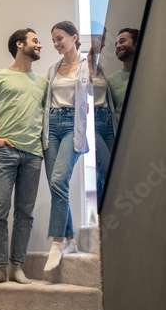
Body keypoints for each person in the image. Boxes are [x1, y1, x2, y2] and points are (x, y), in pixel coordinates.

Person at [0, 28, 48, 288]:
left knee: (24, 213)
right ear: (19, 44)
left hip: (33, 155)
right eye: (35, 40)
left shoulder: (43, 82)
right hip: (5, 152)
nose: (39, 45)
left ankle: (16, 266)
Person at [42, 21, 93, 271]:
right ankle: (71, 238)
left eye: (60, 38)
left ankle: (57, 241)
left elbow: (96, 93)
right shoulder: (52, 69)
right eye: (53, 40)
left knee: (58, 181)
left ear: (74, 37)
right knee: (56, 186)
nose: (56, 43)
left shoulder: (86, 67)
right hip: (51, 126)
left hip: (72, 126)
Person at [88, 28, 117, 208]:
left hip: (107, 121)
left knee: (111, 172)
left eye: (104, 39)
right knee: (108, 171)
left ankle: (100, 218)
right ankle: (105, 218)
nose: (104, 43)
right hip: (94, 123)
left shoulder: (100, 67)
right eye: (101, 39)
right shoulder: (81, 64)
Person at [107, 28, 139, 124]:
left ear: (137, 43)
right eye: (116, 44)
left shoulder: (153, 74)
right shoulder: (110, 81)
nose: (118, 46)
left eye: (122, 41)